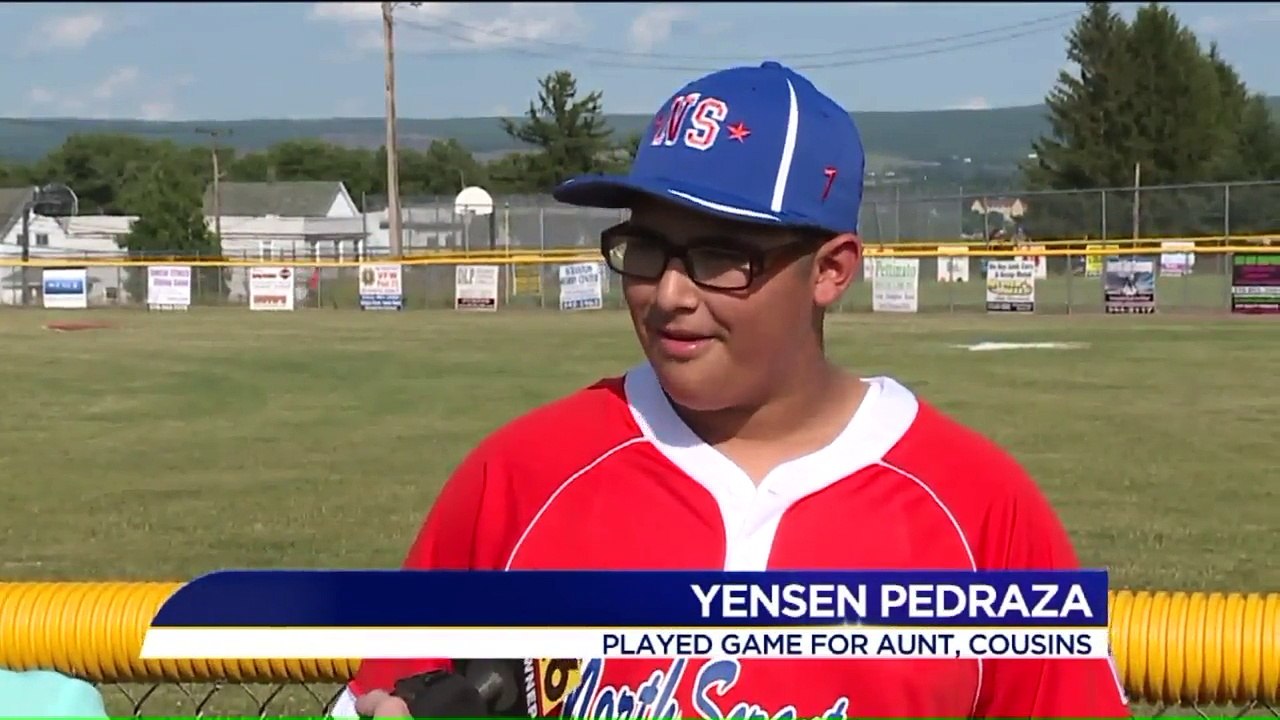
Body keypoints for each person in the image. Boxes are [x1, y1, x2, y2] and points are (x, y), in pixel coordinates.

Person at [334, 61, 1130, 719]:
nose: (669, 294)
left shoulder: (976, 506)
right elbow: (377, 697)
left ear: (831, 270)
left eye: (720, 255)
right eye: (646, 247)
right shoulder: (527, 474)